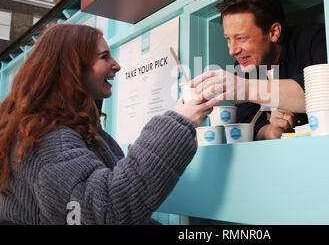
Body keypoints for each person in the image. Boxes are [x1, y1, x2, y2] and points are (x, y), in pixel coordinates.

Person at [0, 24, 218, 225]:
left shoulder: (70, 128)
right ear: (73, 67)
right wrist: (179, 122)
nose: (117, 65)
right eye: (105, 57)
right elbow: (106, 210)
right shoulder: (47, 137)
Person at [190, 0, 327, 140]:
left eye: (241, 38)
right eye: (228, 39)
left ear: (274, 32)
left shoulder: (313, 39)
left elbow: (322, 93)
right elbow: (249, 124)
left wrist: (244, 88)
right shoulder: (244, 67)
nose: (232, 50)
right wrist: (273, 130)